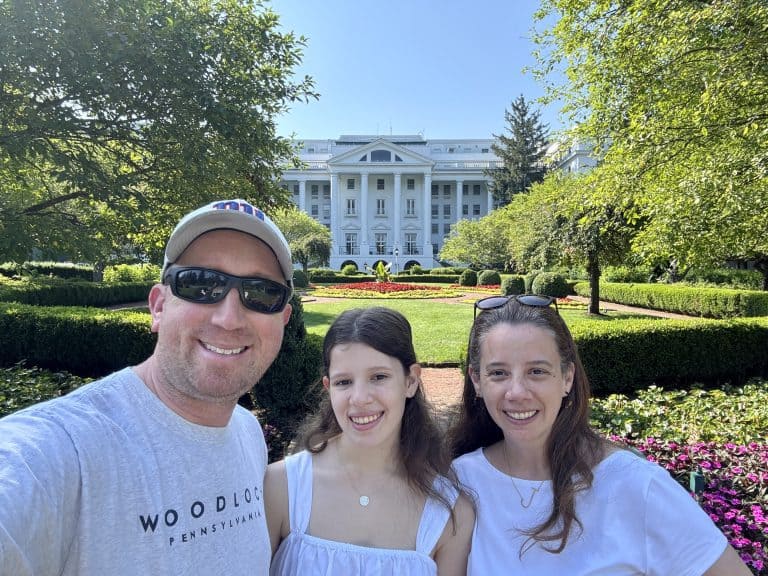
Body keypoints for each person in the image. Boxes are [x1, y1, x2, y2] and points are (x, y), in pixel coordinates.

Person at [0, 199, 295, 575]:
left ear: (283, 320)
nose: (229, 318)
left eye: (262, 293)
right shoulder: (61, 451)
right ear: (158, 306)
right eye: (201, 284)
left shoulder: (247, 432)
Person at [449, 294, 752, 575]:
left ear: (567, 377)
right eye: (498, 373)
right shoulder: (461, 481)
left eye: (537, 371)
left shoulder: (634, 484)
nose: (516, 392)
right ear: (476, 380)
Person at [265, 307, 474, 576]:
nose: (360, 398)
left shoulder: (450, 513)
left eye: (378, 377)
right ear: (328, 388)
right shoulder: (281, 487)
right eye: (344, 382)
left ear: (411, 381)